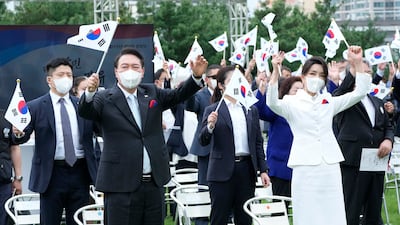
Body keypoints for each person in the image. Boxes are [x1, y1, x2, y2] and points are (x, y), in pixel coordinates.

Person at [78, 47, 208, 225]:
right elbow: (86, 112)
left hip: (153, 183)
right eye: (124, 67)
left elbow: (178, 95)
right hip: (120, 184)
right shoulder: (104, 97)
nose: (130, 71)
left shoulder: (152, 92)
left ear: (143, 71)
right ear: (116, 72)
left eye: (135, 66)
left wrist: (196, 77)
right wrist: (90, 93)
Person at [266, 46, 371, 225]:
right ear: (303, 76)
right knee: (308, 213)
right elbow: (272, 102)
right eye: (313, 73)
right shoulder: (291, 102)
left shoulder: (328, 101)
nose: (317, 79)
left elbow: (359, 93)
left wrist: (358, 62)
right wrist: (275, 70)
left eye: (321, 75)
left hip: (329, 165)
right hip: (305, 166)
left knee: (333, 212)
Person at [13, 58, 98, 225]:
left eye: (69, 75)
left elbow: (98, 128)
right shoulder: (36, 107)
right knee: (49, 220)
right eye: (61, 75)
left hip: (80, 172)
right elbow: (22, 136)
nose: (66, 78)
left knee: (78, 220)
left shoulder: (82, 106)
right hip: (51, 174)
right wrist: (18, 133)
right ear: (49, 80)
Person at [199, 65, 270, 225]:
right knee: (220, 217)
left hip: (246, 170)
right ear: (221, 85)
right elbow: (203, 140)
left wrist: (263, 169)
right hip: (221, 172)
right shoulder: (213, 110)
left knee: (244, 217)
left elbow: (257, 142)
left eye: (239, 81)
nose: (236, 84)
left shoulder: (250, 109)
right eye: (231, 81)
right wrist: (210, 126)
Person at [333, 58, 394, 225]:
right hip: (353, 161)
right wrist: (354, 68)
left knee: (374, 210)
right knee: (351, 209)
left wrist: (388, 140)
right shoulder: (345, 99)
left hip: (375, 161)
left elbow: (387, 125)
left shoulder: (376, 101)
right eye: (363, 73)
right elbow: (340, 91)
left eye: (368, 73)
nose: (367, 76)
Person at [255, 76, 303, 199]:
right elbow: (260, 111)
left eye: (302, 90)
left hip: (301, 164)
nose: (299, 93)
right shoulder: (279, 109)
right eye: (295, 90)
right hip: (280, 164)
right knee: (280, 205)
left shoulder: (306, 111)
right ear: (287, 92)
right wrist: (262, 90)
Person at [0, 110, 23, 225]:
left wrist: (18, 178)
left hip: (3, 180)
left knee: (4, 218)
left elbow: (14, 147)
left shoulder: (7, 118)